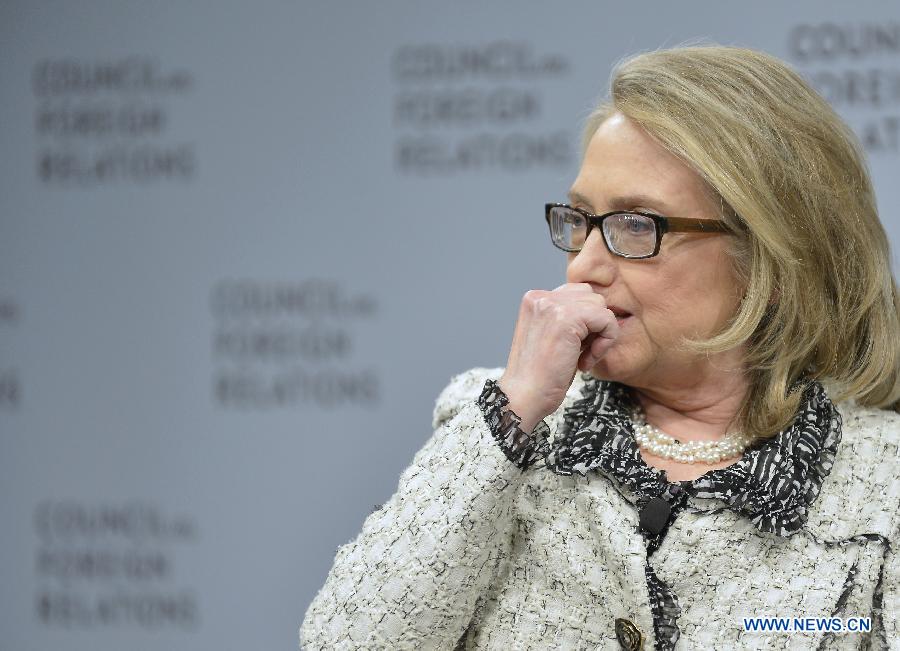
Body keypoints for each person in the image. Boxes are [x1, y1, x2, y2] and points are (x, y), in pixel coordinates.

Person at [299, 44, 900, 650]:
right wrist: (515, 408)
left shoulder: (883, 480)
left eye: (638, 225)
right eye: (580, 219)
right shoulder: (504, 429)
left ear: (770, 261)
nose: (584, 265)